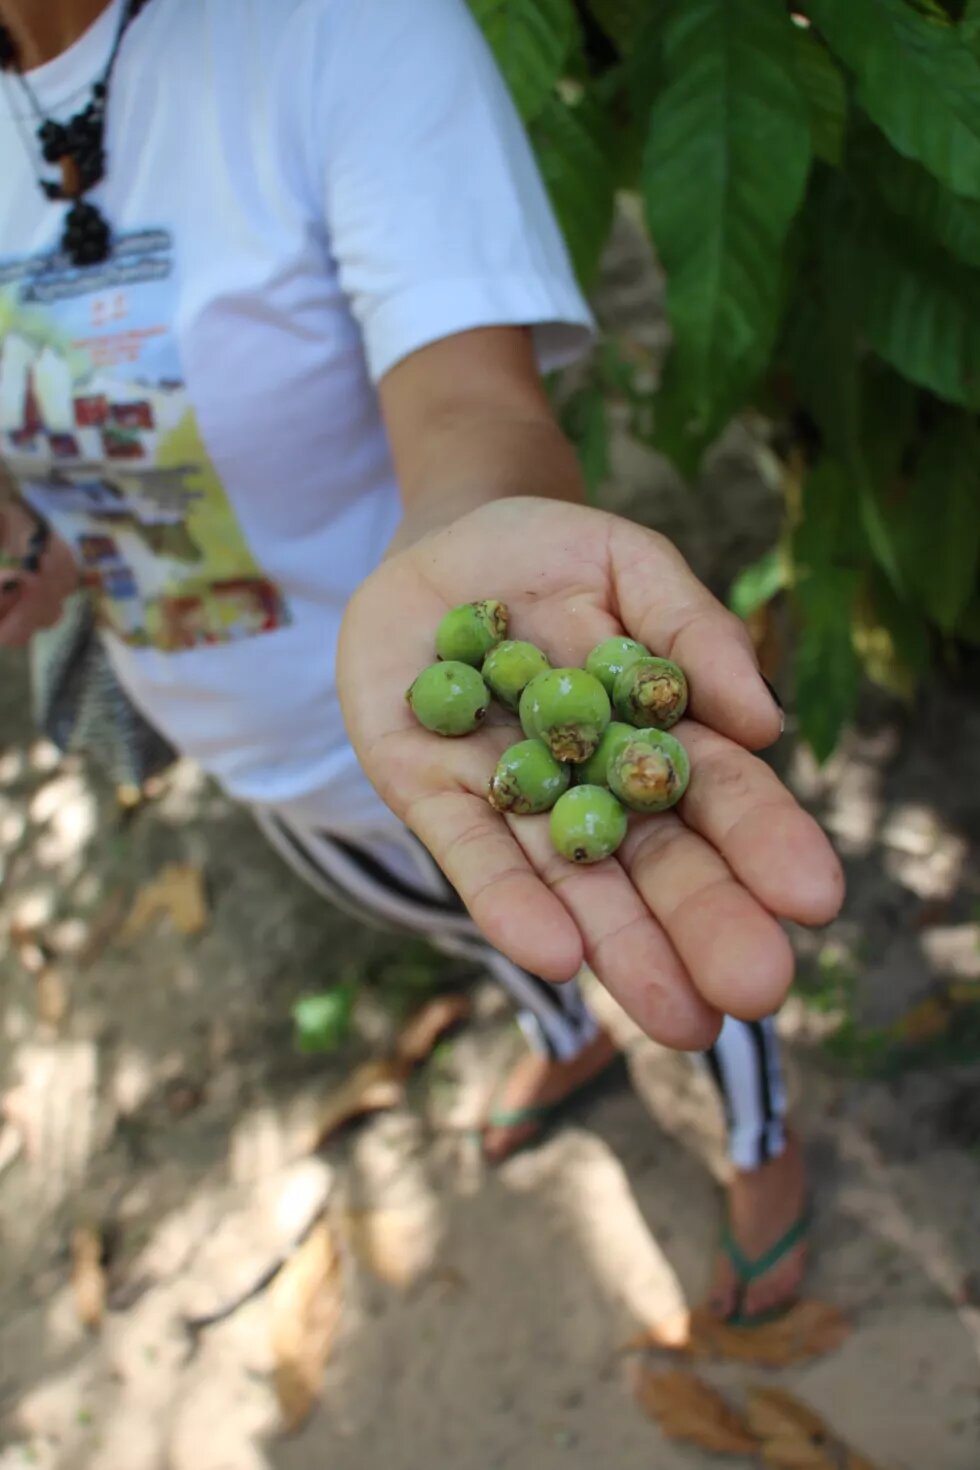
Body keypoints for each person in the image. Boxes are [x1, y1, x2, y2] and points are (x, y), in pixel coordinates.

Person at [0, 0, 842, 1323]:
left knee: (661, 933)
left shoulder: (342, 27)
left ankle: (758, 1146)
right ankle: (563, 1044)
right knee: (509, 934)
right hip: (263, 756)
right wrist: (38, 535)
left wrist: (473, 531)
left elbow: (468, 402)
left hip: (424, 732)